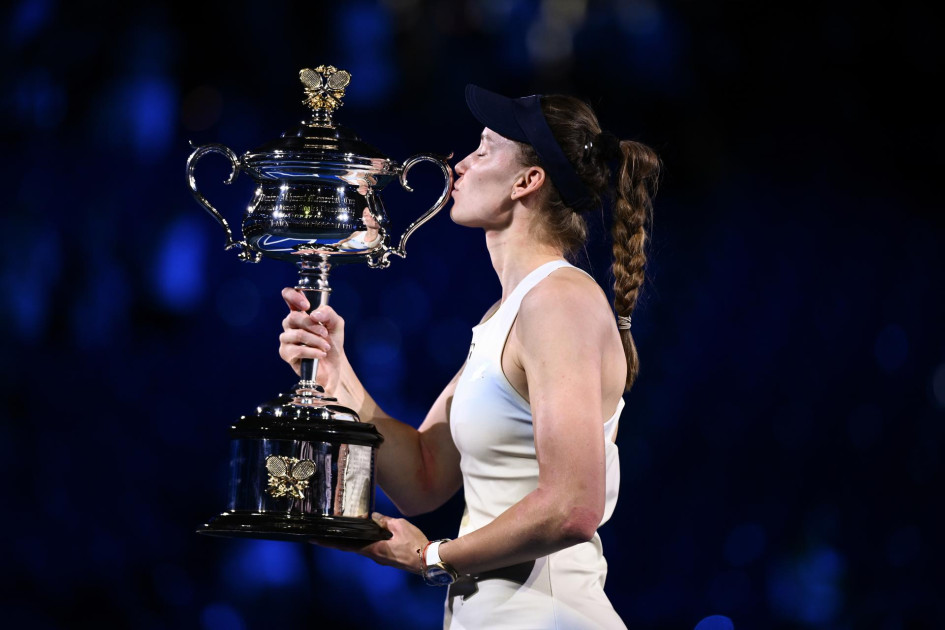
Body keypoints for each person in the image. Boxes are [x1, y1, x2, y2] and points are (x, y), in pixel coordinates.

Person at [279, 84, 660, 629]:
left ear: (527, 182)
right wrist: (338, 376)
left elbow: (574, 506)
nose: (460, 164)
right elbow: (423, 477)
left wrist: (431, 557)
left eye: (484, 150)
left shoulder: (560, 302)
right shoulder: (508, 313)